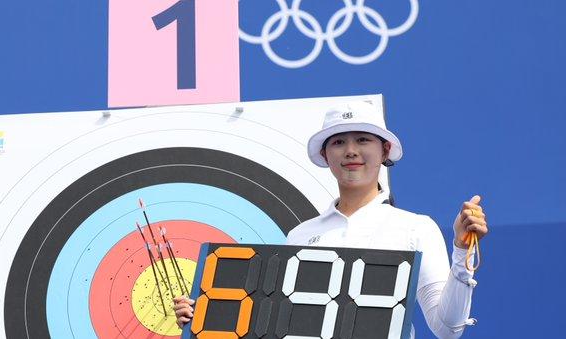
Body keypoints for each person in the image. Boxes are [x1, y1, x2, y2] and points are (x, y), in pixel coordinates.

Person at [173, 100, 488, 338]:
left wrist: (462, 253)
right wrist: (206, 316)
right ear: (325, 156)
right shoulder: (299, 235)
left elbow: (448, 329)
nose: (351, 151)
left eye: (363, 139)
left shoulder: (416, 228)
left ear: (385, 150)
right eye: (338, 142)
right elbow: (275, 326)